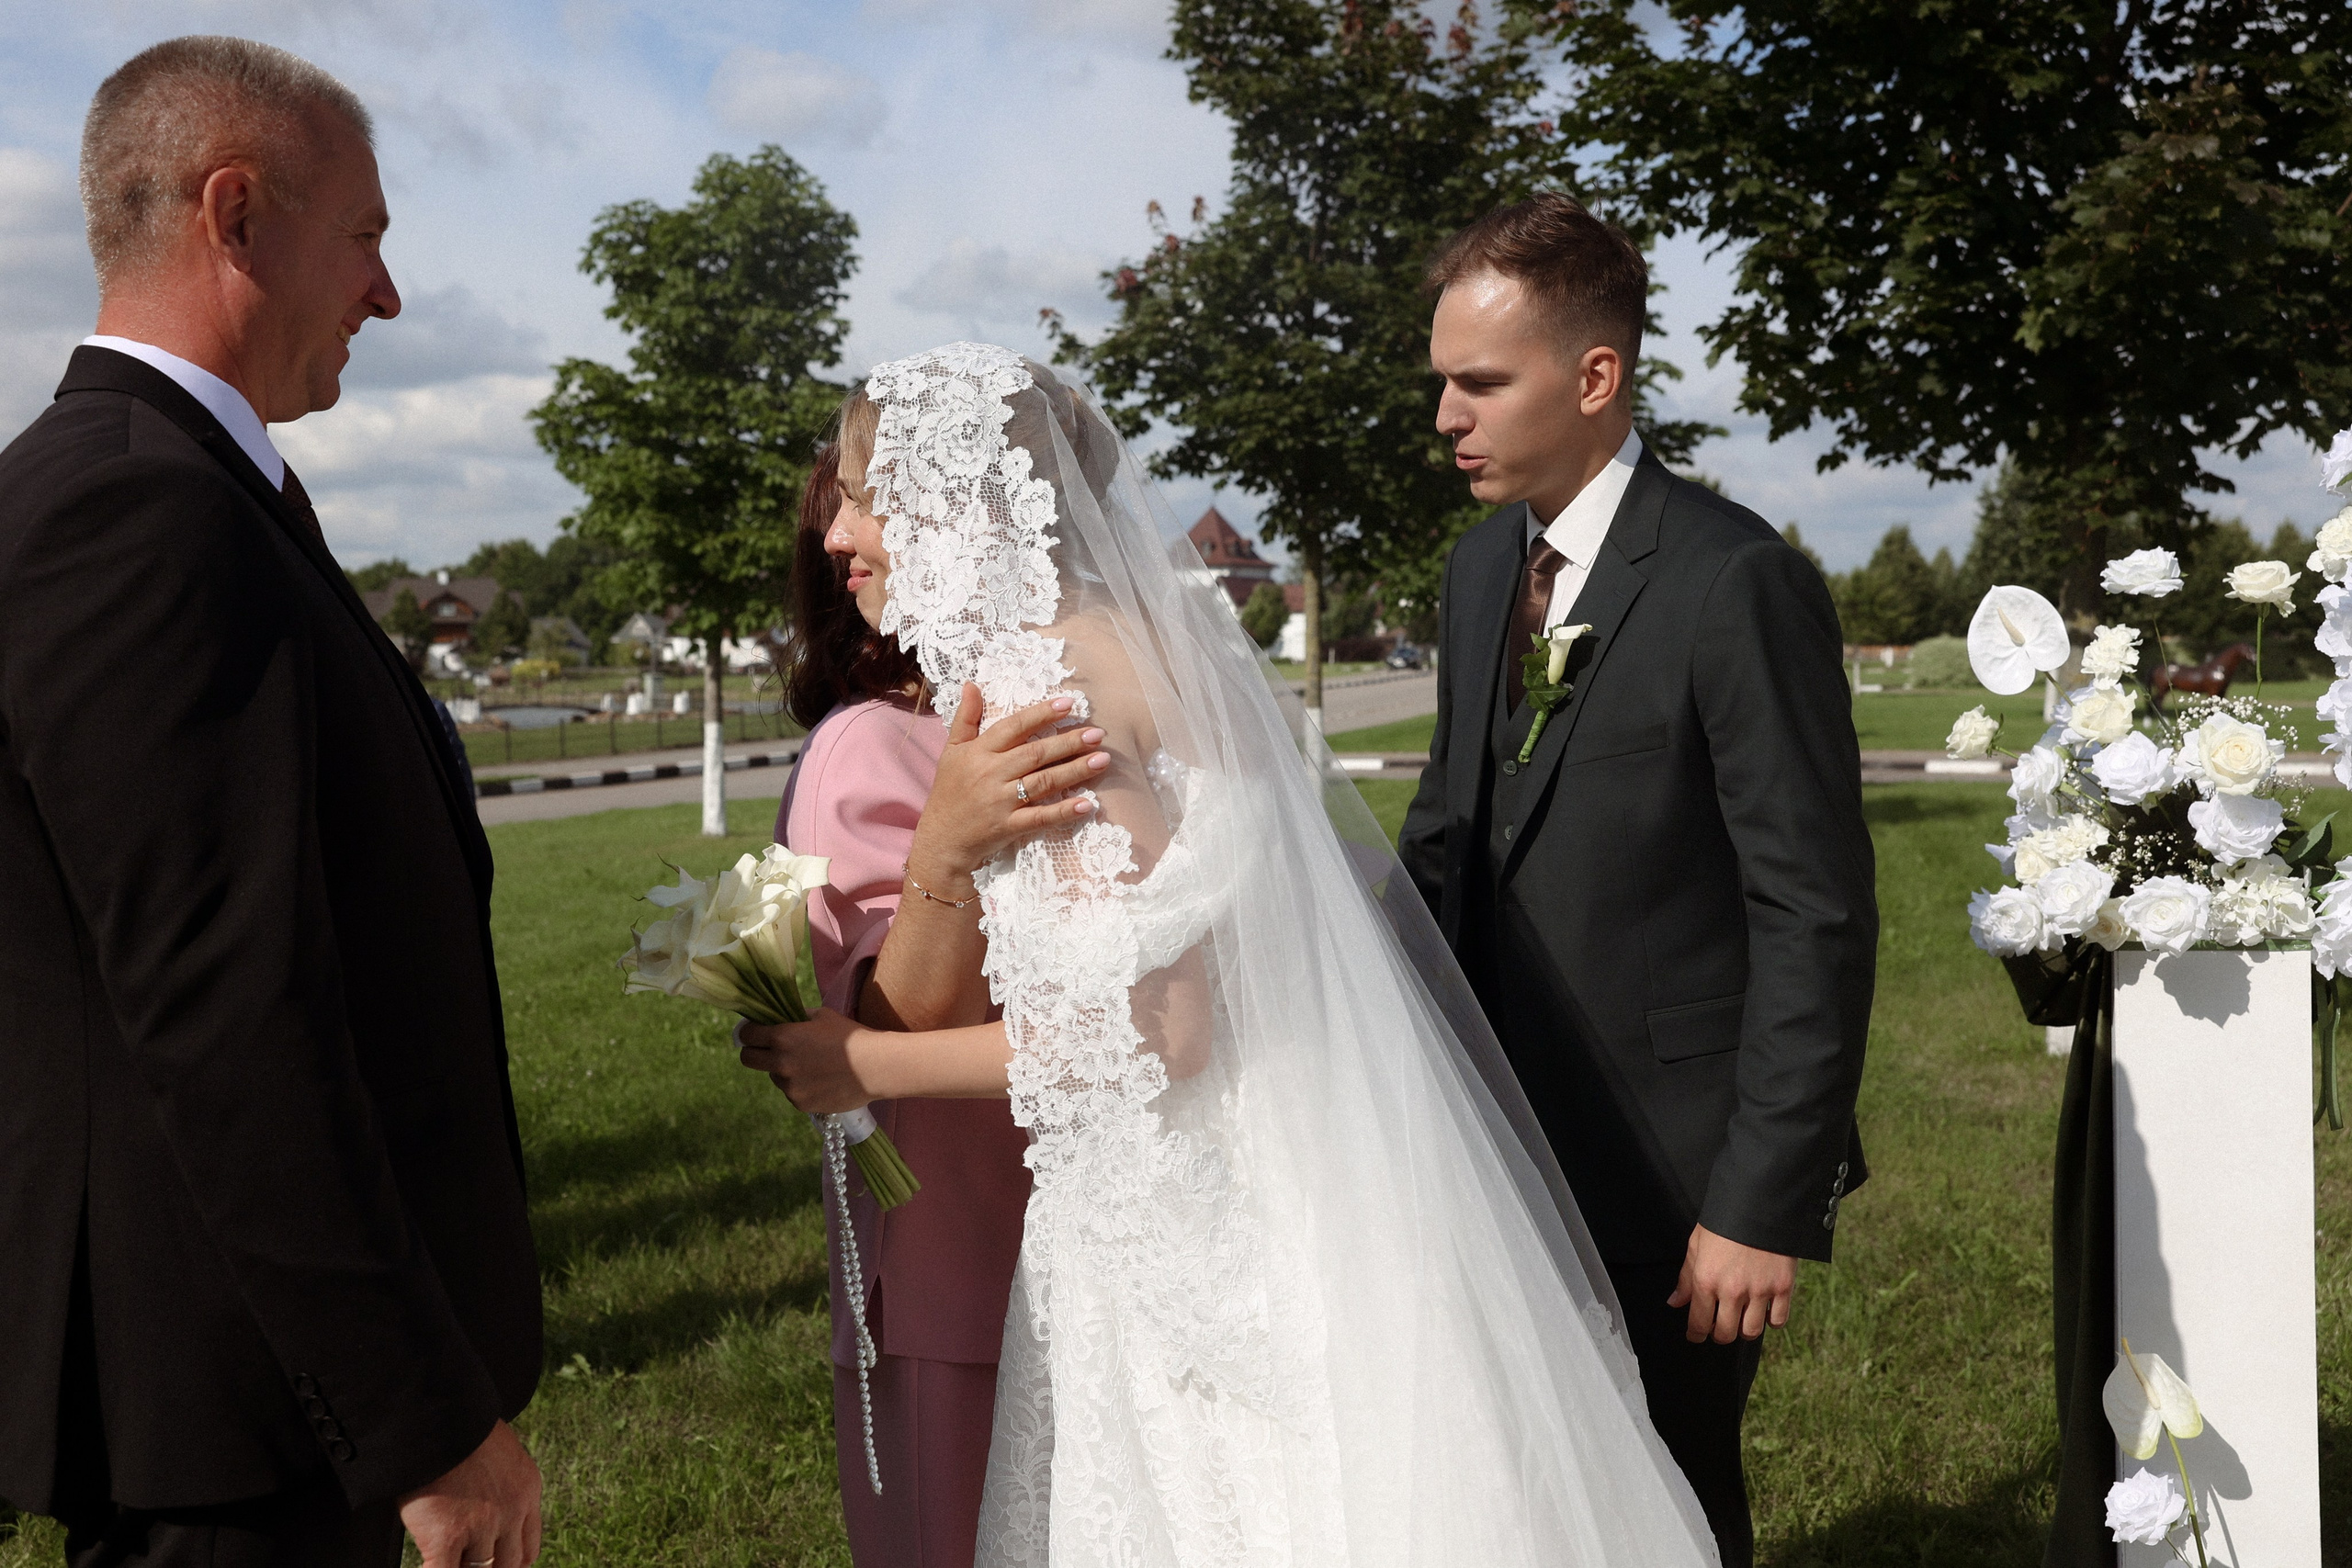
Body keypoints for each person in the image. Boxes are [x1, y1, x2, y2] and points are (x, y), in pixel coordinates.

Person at [741, 342, 1724, 1566]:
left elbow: (1161, 1029)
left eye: (868, 494)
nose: (841, 533)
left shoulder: (1041, 684)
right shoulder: (1152, 650)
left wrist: (862, 1064)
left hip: (1178, 1241)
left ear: (965, 506)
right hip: (1264, 1183)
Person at [0, 38, 542, 1568]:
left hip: (265, 1401)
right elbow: (228, 1017)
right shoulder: (133, 510)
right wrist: (416, 1419)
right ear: (235, 217)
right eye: (368, 235)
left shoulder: (192, 492)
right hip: (245, 1428)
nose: (387, 295)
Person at [1399, 195, 1878, 1565]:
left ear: (1594, 376)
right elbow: (1447, 837)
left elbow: (1817, 914)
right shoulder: (1483, 566)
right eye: (1443, 378)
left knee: (1666, 1494)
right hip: (1505, 1137)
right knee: (1536, 1487)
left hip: (1683, 1170)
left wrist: (1758, 1203)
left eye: (1479, 380)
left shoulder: (1737, 583)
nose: (1447, 413)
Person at [766, 440, 1101, 1565]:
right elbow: (866, 1043)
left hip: (1097, 1253)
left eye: (867, 506)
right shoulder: (871, 745)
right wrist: (946, 848)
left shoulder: (1082, 713)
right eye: (840, 511)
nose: (836, 539)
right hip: (953, 1267)